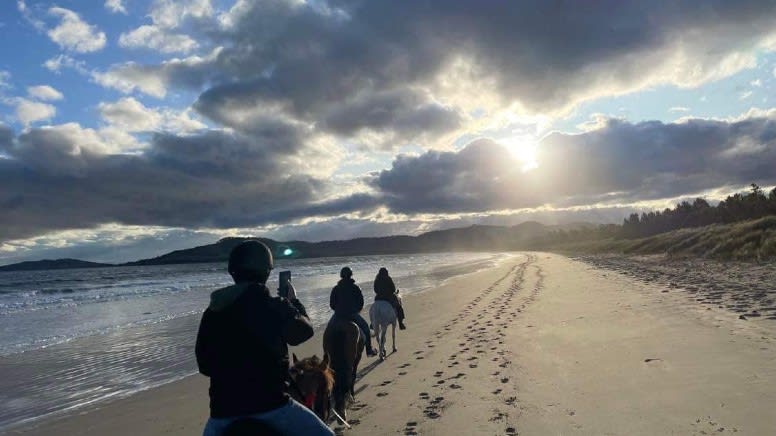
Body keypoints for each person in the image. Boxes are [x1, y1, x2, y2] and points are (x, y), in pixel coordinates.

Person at [195, 240, 333, 436]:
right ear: (266, 271)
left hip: (223, 413)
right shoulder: (274, 305)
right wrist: (293, 301)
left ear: (233, 272)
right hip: (272, 407)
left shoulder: (213, 311)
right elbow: (303, 332)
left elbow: (204, 365)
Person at [329, 266, 377, 357]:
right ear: (351, 275)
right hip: (352, 314)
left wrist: (338, 311)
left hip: (338, 315)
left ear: (341, 276)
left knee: (329, 330)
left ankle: (327, 354)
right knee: (366, 328)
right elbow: (361, 303)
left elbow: (332, 304)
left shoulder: (335, 288)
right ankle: (369, 350)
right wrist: (356, 311)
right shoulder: (355, 288)